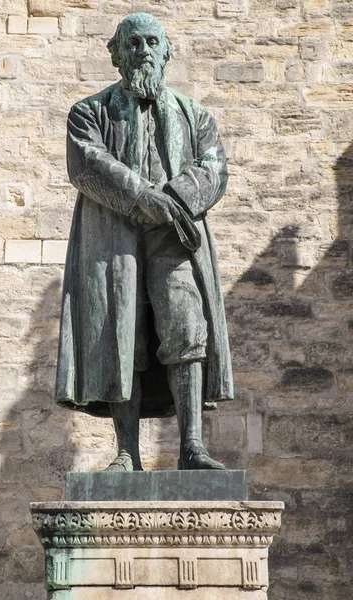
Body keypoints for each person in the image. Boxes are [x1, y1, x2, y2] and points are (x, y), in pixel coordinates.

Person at [55, 12, 233, 471]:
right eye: (132, 43)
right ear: (117, 54)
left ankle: (192, 445)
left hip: (175, 236)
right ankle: (127, 452)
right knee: (121, 331)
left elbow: (213, 168)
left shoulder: (196, 116)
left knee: (187, 326)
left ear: (167, 51)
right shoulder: (89, 113)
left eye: (153, 42)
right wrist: (146, 198)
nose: (144, 51)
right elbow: (88, 164)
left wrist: (171, 201)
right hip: (114, 236)